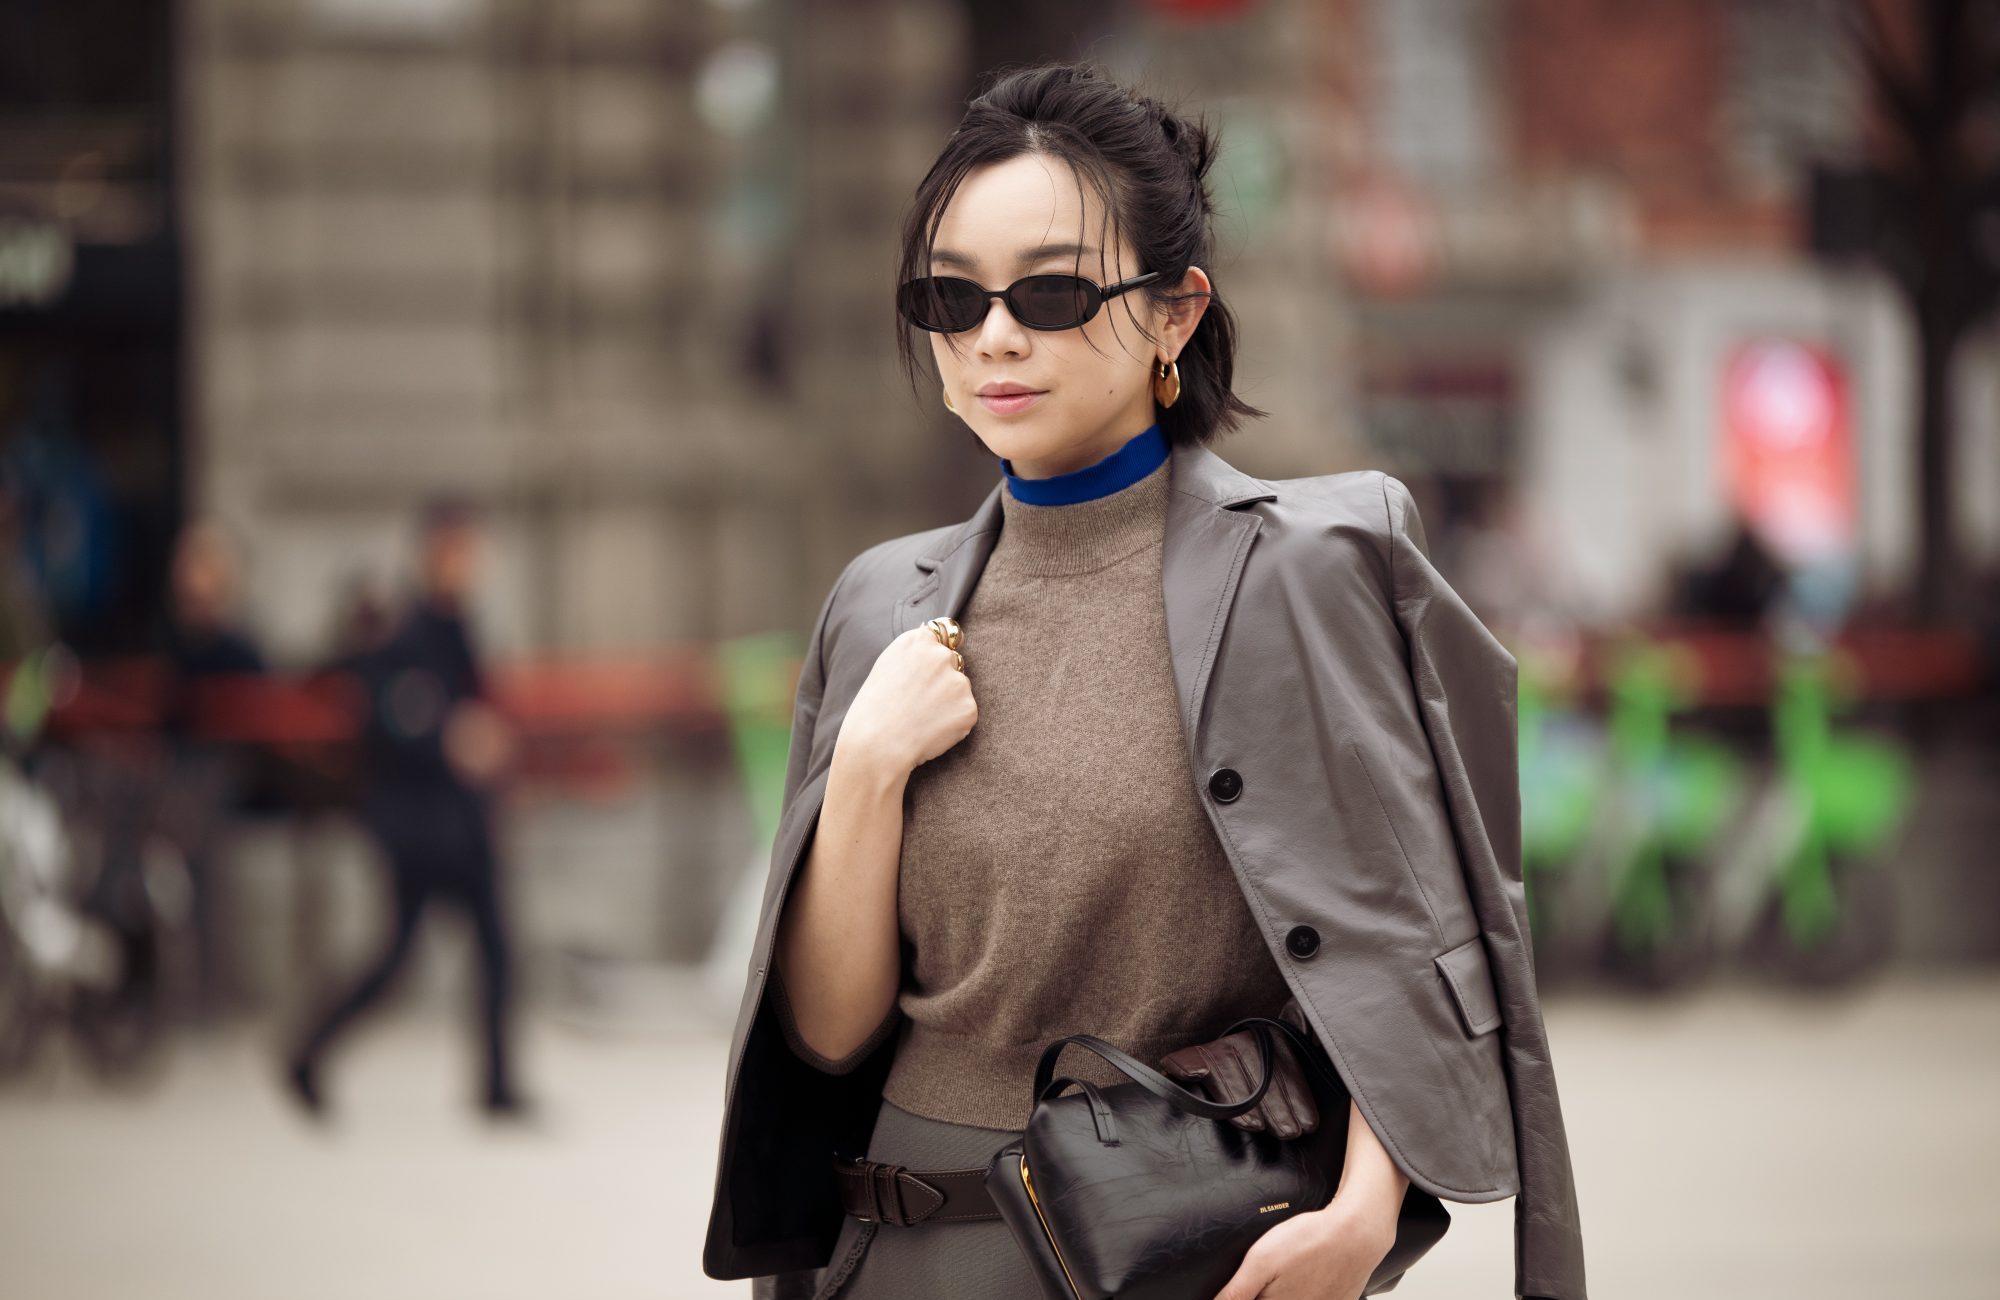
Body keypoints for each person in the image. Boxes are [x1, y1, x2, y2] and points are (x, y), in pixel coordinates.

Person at [705, 63, 1585, 1300]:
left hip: (1172, 1255)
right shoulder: (881, 603)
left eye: (1051, 291)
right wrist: (864, 766)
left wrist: (1360, 1212)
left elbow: (1417, 929)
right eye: (950, 296)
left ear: (1174, 314)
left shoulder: (1301, 574)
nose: (992, 335)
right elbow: (831, 1029)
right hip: (894, 1254)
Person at [282, 496, 531, 1120]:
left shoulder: (459, 627)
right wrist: (452, 738)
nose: (466, 564)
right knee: (396, 959)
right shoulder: (405, 634)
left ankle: (497, 1085)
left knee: (495, 950)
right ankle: (308, 1051)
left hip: (461, 823)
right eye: (456, 551)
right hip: (420, 827)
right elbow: (394, 718)